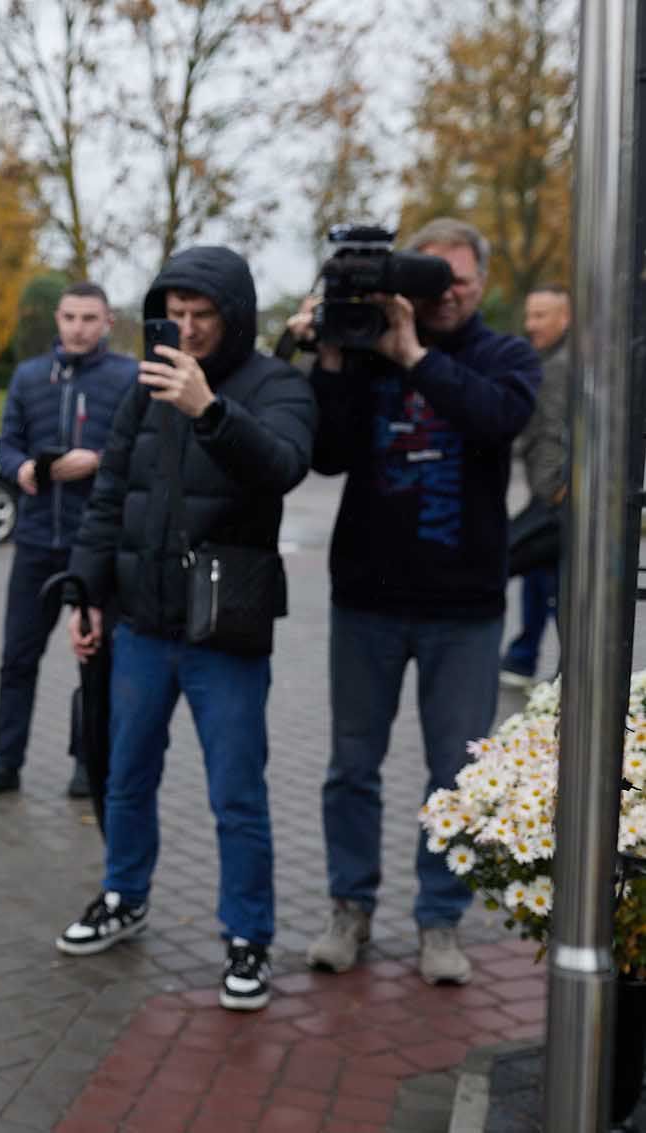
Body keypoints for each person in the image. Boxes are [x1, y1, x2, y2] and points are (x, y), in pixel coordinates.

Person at [54, 246, 316, 1012]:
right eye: (178, 315)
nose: (191, 330)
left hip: (226, 629)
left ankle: (248, 935)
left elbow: (285, 465)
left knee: (237, 791)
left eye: (206, 316)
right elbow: (112, 496)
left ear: (235, 316)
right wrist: (87, 592)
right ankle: (123, 894)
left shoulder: (276, 384)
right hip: (141, 624)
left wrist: (210, 408)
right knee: (126, 776)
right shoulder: (145, 387)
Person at [293, 218, 542, 985]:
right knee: (351, 768)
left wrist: (414, 358)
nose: (447, 290)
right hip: (365, 598)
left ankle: (439, 920)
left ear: (482, 282)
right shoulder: (366, 347)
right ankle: (351, 908)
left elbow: (498, 417)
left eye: (459, 277)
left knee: (454, 776)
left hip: (464, 609)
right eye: (432, 276)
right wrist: (332, 354)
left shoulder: (506, 356)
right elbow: (327, 454)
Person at [0, 282, 136, 805]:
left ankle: (88, 763)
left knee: (94, 658)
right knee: (17, 658)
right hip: (36, 542)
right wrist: (24, 470)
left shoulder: (127, 378)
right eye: (69, 317)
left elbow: (140, 451)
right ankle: (5, 763)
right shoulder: (30, 376)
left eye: (89, 318)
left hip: (96, 545)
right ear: (57, 320)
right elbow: (6, 445)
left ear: (107, 322)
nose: (78, 327)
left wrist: (97, 460)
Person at [500, 284, 571, 687]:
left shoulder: (561, 366)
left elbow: (558, 432)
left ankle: (541, 663)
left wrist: (559, 490)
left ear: (566, 318)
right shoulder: (549, 359)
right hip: (548, 494)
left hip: (555, 499)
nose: (531, 325)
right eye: (529, 315)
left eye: (541, 316)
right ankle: (524, 658)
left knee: (527, 565)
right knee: (538, 577)